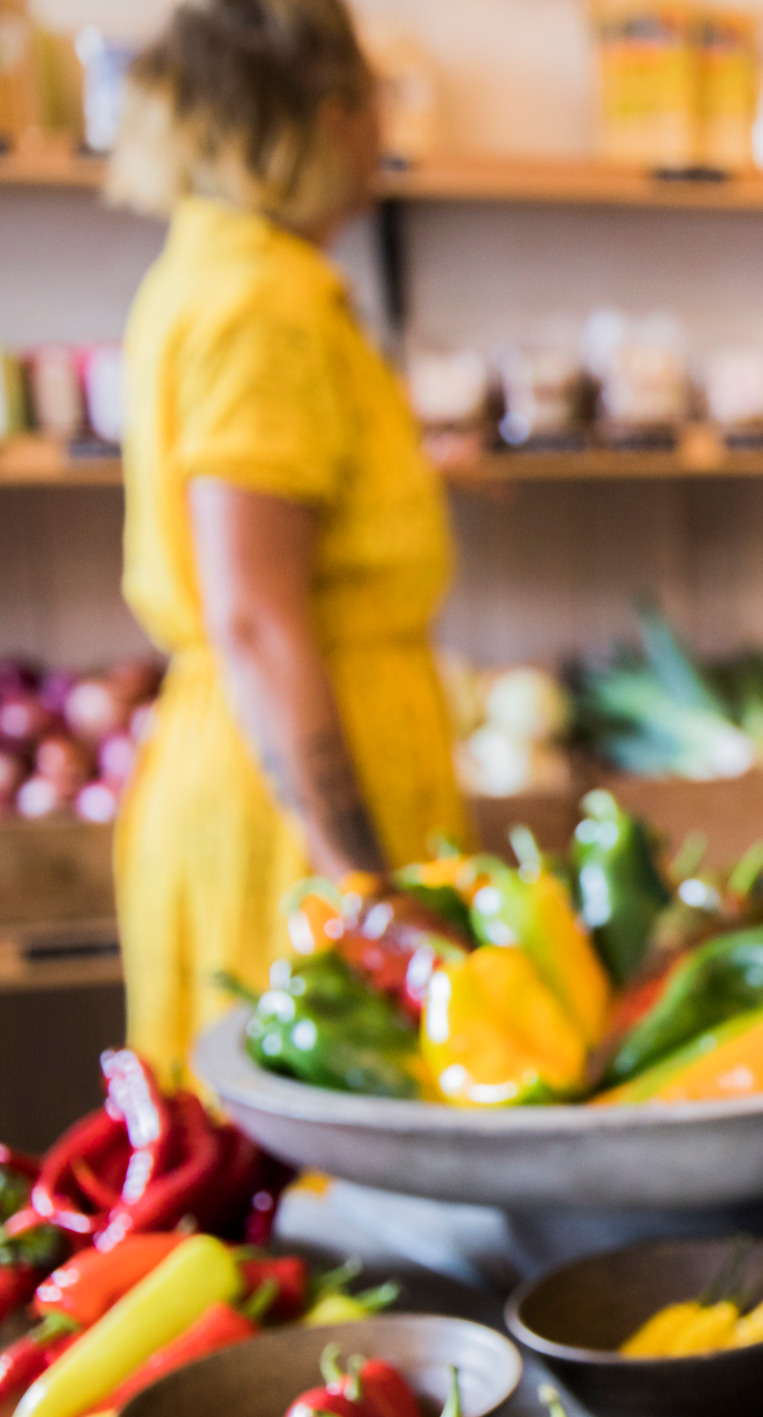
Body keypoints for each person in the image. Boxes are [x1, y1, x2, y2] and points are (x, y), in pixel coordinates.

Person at [108, 0, 467, 1076]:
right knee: (312, 1184)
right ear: (326, 120)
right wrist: (357, 884)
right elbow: (255, 614)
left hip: (281, 782)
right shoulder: (266, 304)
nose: (381, 139)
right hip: (289, 821)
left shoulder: (221, 270)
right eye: (372, 109)